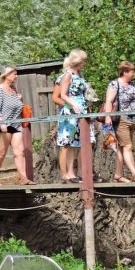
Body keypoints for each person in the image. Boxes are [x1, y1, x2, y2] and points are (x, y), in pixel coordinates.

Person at [0, 66, 32, 186]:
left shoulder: (14, 89)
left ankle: (24, 178)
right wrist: (1, 123)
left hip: (16, 125)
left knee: (19, 152)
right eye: (14, 74)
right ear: (6, 75)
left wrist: (20, 99)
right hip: (3, 124)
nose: (16, 76)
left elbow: (17, 107)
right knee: (1, 153)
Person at [104, 61, 135, 183]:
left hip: (132, 120)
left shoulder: (133, 85)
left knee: (122, 148)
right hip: (120, 119)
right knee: (127, 146)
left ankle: (118, 175)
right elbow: (109, 101)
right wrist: (108, 117)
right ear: (125, 72)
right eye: (132, 71)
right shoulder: (114, 84)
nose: (134, 74)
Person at [53, 49, 92, 183]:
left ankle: (77, 173)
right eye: (83, 61)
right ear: (78, 61)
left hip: (82, 111)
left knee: (80, 143)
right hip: (71, 112)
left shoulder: (80, 76)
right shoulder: (67, 75)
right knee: (66, 143)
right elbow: (62, 95)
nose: (85, 63)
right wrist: (72, 105)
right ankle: (66, 174)